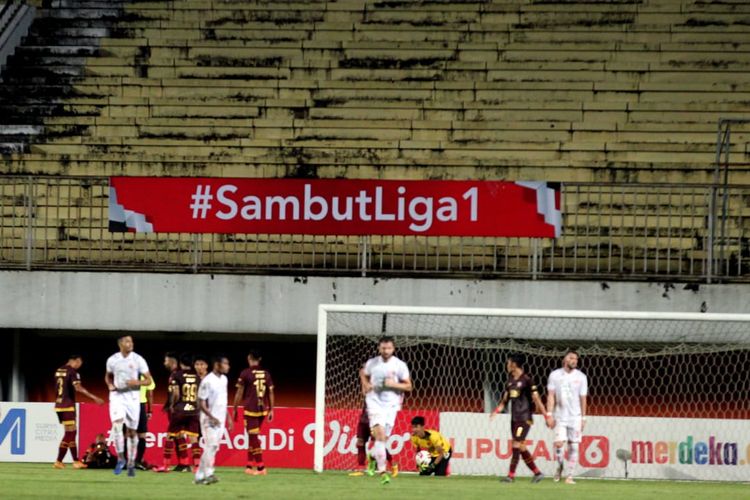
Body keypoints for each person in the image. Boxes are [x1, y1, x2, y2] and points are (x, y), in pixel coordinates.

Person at [360, 336, 412, 484]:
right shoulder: (372, 363)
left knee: (382, 439)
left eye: (388, 348)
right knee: (381, 436)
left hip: (392, 405)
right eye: (383, 348)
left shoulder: (400, 365)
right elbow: (363, 372)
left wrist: (393, 385)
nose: (386, 351)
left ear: (393, 349)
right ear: (379, 348)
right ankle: (383, 472)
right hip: (374, 403)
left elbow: (408, 386)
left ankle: (371, 456)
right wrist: (366, 385)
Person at [490, 353, 546, 483]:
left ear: (514, 364)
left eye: (508, 362)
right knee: (521, 447)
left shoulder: (527, 380)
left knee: (515, 444)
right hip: (514, 418)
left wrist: (545, 415)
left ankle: (510, 476)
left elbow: (536, 398)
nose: (507, 365)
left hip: (525, 418)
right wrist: (496, 411)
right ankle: (537, 473)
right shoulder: (510, 380)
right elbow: (504, 400)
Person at [105, 335, 153, 477]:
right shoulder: (112, 360)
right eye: (127, 341)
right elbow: (107, 375)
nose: (130, 344)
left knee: (132, 432)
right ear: (120, 344)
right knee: (117, 425)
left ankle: (132, 462)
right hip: (117, 396)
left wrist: (137, 382)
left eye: (131, 341)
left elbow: (148, 380)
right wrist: (109, 384)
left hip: (133, 398)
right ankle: (121, 458)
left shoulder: (139, 360)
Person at [53, 354, 104, 469]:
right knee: (70, 433)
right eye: (79, 363)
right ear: (75, 361)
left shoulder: (58, 371)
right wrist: (94, 397)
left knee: (70, 433)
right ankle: (72, 461)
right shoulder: (72, 372)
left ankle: (60, 461)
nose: (79, 366)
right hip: (68, 405)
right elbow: (78, 387)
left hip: (59, 404)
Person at [546, 350, 589, 485]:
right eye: (571, 358)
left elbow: (583, 398)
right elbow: (551, 396)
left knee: (574, 446)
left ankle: (569, 476)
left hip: (575, 417)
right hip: (560, 416)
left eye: (576, 359)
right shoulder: (555, 375)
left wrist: (583, 418)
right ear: (565, 359)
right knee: (559, 444)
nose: (574, 360)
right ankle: (560, 466)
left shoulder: (581, 377)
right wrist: (549, 414)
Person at [194, 355, 233, 485]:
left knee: (213, 448)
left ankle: (199, 476)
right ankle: (209, 473)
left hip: (220, 419)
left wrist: (228, 417)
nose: (228, 366)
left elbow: (222, 401)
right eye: (225, 364)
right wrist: (211, 417)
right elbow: (201, 403)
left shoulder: (224, 379)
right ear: (217, 364)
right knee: (211, 445)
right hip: (208, 420)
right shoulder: (207, 381)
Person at [234, 351, 275, 476]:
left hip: (250, 409)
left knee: (253, 438)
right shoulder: (266, 374)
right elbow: (271, 392)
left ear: (249, 358)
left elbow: (239, 392)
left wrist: (235, 407)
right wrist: (272, 409)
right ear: (260, 359)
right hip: (262, 409)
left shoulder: (245, 373)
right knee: (253, 438)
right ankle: (249, 466)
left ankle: (261, 467)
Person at [348, 404, 397, 477]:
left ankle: (393, 465)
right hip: (364, 420)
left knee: (378, 444)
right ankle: (360, 469)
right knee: (360, 442)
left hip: (375, 420)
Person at [134, 373, 155, 470]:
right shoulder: (146, 376)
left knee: (126, 434)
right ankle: (138, 461)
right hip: (140, 406)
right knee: (142, 435)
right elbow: (150, 394)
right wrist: (150, 410)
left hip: (127, 405)